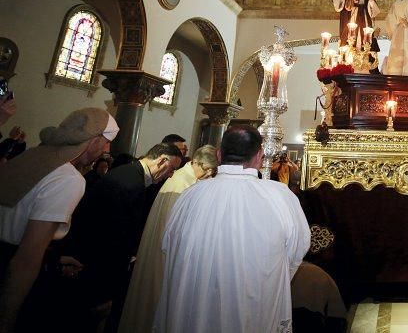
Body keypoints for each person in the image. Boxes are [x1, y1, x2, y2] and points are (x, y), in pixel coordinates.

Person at [155, 126, 309, 333]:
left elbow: (168, 245)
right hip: (252, 307)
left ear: (219, 154)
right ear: (259, 156)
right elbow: (296, 251)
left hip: (192, 307)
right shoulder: (281, 197)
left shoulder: (190, 195)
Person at [0, 108, 118, 332]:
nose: (106, 150)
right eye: (105, 143)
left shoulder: (28, 156)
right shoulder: (67, 178)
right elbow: (26, 259)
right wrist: (6, 319)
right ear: (92, 140)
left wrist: (53, 259)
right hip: (15, 282)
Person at [67, 142, 183, 331]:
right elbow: (113, 234)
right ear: (162, 161)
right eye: (171, 169)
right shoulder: (130, 183)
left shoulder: (130, 174)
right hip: (99, 265)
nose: (170, 175)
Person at [118, 145, 219, 333]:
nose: (208, 174)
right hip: (165, 257)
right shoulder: (183, 185)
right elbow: (179, 233)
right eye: (206, 169)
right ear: (196, 162)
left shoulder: (184, 180)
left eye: (212, 171)